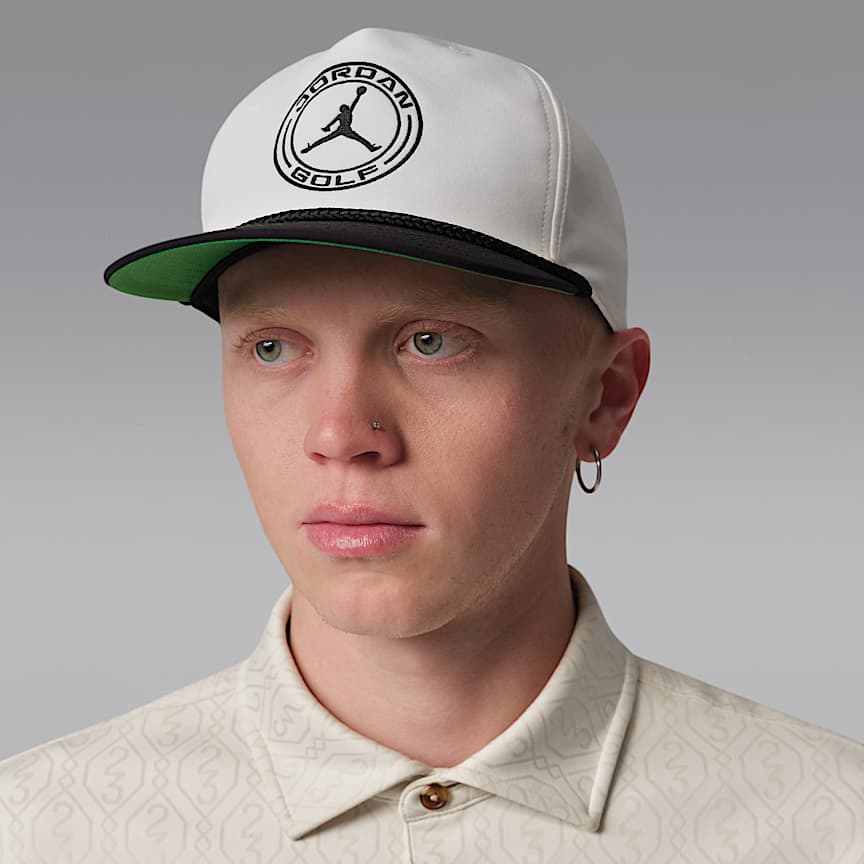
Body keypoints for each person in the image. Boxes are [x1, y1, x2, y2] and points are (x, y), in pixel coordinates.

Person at [0, 26, 861, 863]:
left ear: (607, 396)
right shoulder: (38, 832)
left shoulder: (831, 826)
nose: (342, 435)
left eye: (432, 341)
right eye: (272, 348)